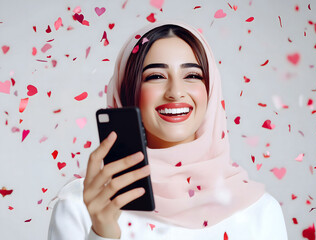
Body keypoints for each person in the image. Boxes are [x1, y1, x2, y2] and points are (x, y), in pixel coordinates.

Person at [48, 21, 288, 240]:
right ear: (127, 91)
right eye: (156, 76)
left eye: (192, 75)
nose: (175, 92)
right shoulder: (82, 204)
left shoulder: (259, 211)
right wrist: (102, 233)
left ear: (211, 91)